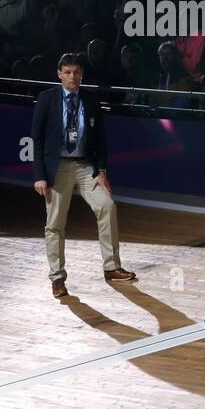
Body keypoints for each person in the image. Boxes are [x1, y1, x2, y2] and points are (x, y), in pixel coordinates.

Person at [31, 52, 135, 299]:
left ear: (82, 75)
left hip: (86, 166)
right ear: (59, 74)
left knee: (107, 206)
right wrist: (39, 175)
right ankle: (57, 277)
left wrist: (102, 171)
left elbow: (100, 138)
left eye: (76, 72)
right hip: (58, 168)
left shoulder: (90, 99)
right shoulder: (47, 99)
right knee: (55, 223)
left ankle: (111, 267)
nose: (72, 76)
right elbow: (37, 139)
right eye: (67, 72)